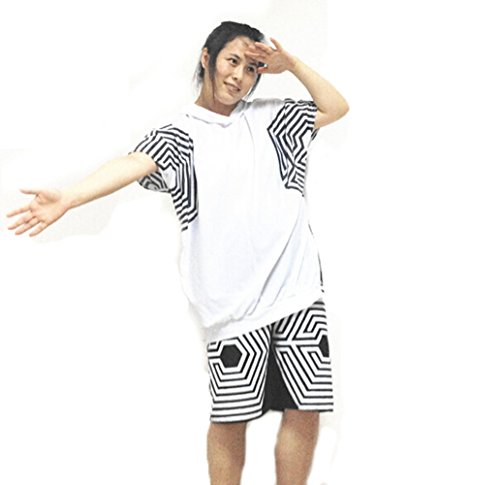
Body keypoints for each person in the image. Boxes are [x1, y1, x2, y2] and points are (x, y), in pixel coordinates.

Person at [6, 20, 348, 485]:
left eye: (251, 69)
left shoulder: (275, 118)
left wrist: (293, 65)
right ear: (207, 58)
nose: (239, 77)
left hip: (297, 291)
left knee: (305, 407)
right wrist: (69, 197)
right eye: (232, 62)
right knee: (231, 418)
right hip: (232, 305)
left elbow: (335, 107)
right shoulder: (180, 134)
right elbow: (132, 164)